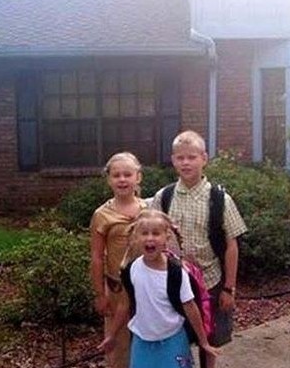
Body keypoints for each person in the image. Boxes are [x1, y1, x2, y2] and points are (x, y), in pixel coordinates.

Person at [151, 130, 248, 368]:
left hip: (210, 282)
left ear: (204, 158)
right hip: (173, 282)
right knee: (176, 338)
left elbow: (232, 245)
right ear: (173, 160)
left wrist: (229, 288)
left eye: (192, 157)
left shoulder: (219, 199)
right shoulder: (164, 197)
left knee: (210, 339)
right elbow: (151, 236)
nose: (186, 163)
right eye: (180, 157)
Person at [98, 209, 221, 368]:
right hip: (142, 342)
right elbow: (124, 304)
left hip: (173, 341)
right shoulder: (132, 269)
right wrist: (112, 335)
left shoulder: (176, 273)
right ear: (136, 237)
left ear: (166, 238)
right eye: (144, 233)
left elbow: (190, 307)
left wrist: (203, 342)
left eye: (156, 233)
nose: (150, 238)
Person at [90, 152, 147, 368]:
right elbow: (97, 257)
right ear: (109, 179)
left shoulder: (149, 210)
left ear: (138, 177)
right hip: (117, 289)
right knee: (118, 345)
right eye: (116, 175)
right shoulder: (102, 215)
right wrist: (99, 294)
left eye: (127, 174)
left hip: (147, 288)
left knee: (147, 339)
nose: (122, 179)